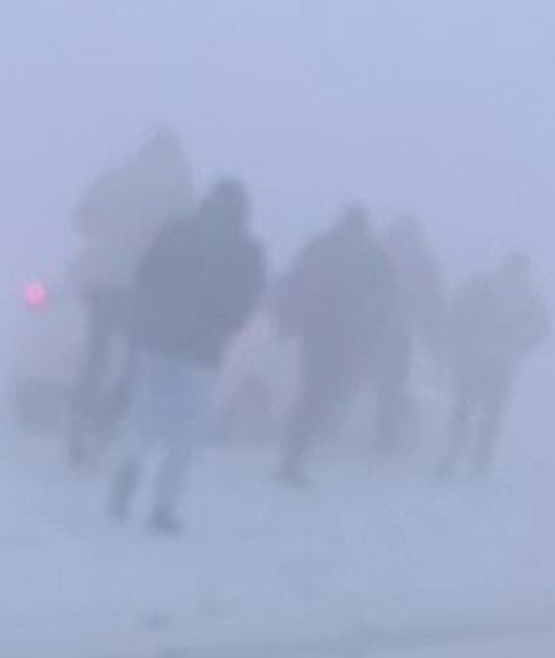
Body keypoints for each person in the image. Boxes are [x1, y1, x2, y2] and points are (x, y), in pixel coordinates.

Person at [106, 180, 266, 533]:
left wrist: (151, 317)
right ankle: (162, 509)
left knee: (143, 419)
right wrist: (223, 328)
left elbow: (144, 273)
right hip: (201, 353)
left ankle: (127, 474)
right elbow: (246, 302)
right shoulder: (246, 250)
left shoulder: (176, 231)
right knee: (185, 437)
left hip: (156, 342)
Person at [67, 128, 196, 465]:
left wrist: (106, 238)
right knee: (136, 364)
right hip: (148, 288)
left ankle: (80, 418)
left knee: (97, 355)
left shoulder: (112, 181)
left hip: (102, 281)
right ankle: (105, 424)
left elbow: (80, 218)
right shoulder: (178, 193)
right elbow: (190, 242)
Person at [275, 207, 395, 484]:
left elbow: (293, 281)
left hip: (314, 329)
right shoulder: (371, 254)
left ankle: (293, 451)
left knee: (311, 390)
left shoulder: (319, 245)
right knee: (326, 393)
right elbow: (385, 296)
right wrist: (373, 336)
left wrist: (287, 320)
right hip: (347, 334)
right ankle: (295, 453)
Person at [438, 253, 549, 477]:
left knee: (464, 408)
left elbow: (457, 313)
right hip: (503, 364)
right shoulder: (529, 296)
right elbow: (540, 330)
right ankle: (481, 462)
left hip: (473, 358)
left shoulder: (481, 284)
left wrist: (461, 342)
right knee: (491, 414)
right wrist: (518, 345)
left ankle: (452, 454)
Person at [370, 215, 446, 454]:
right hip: (399, 330)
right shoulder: (422, 260)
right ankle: (386, 435)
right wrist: (435, 336)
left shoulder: (375, 251)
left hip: (366, 328)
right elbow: (432, 300)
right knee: (391, 385)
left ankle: (333, 425)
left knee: (357, 379)